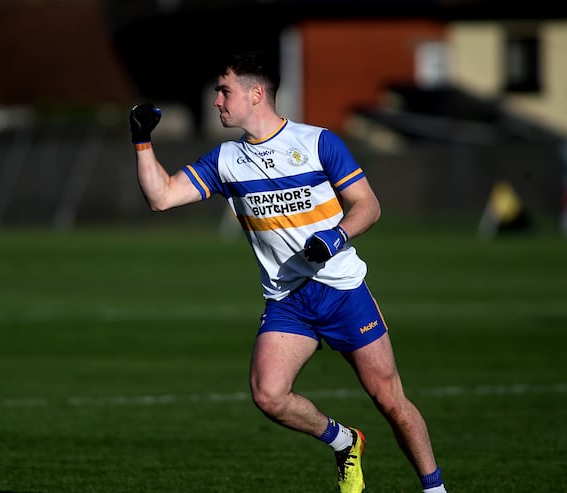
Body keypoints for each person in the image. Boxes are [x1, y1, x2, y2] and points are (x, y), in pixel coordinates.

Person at [129, 51, 447, 493]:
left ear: (255, 93)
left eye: (224, 91)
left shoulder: (318, 142)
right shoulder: (225, 160)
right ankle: (344, 441)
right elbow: (161, 197)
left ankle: (434, 489)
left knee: (390, 401)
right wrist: (143, 142)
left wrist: (336, 238)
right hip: (288, 301)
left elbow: (368, 206)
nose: (217, 101)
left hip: (342, 292)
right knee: (268, 396)